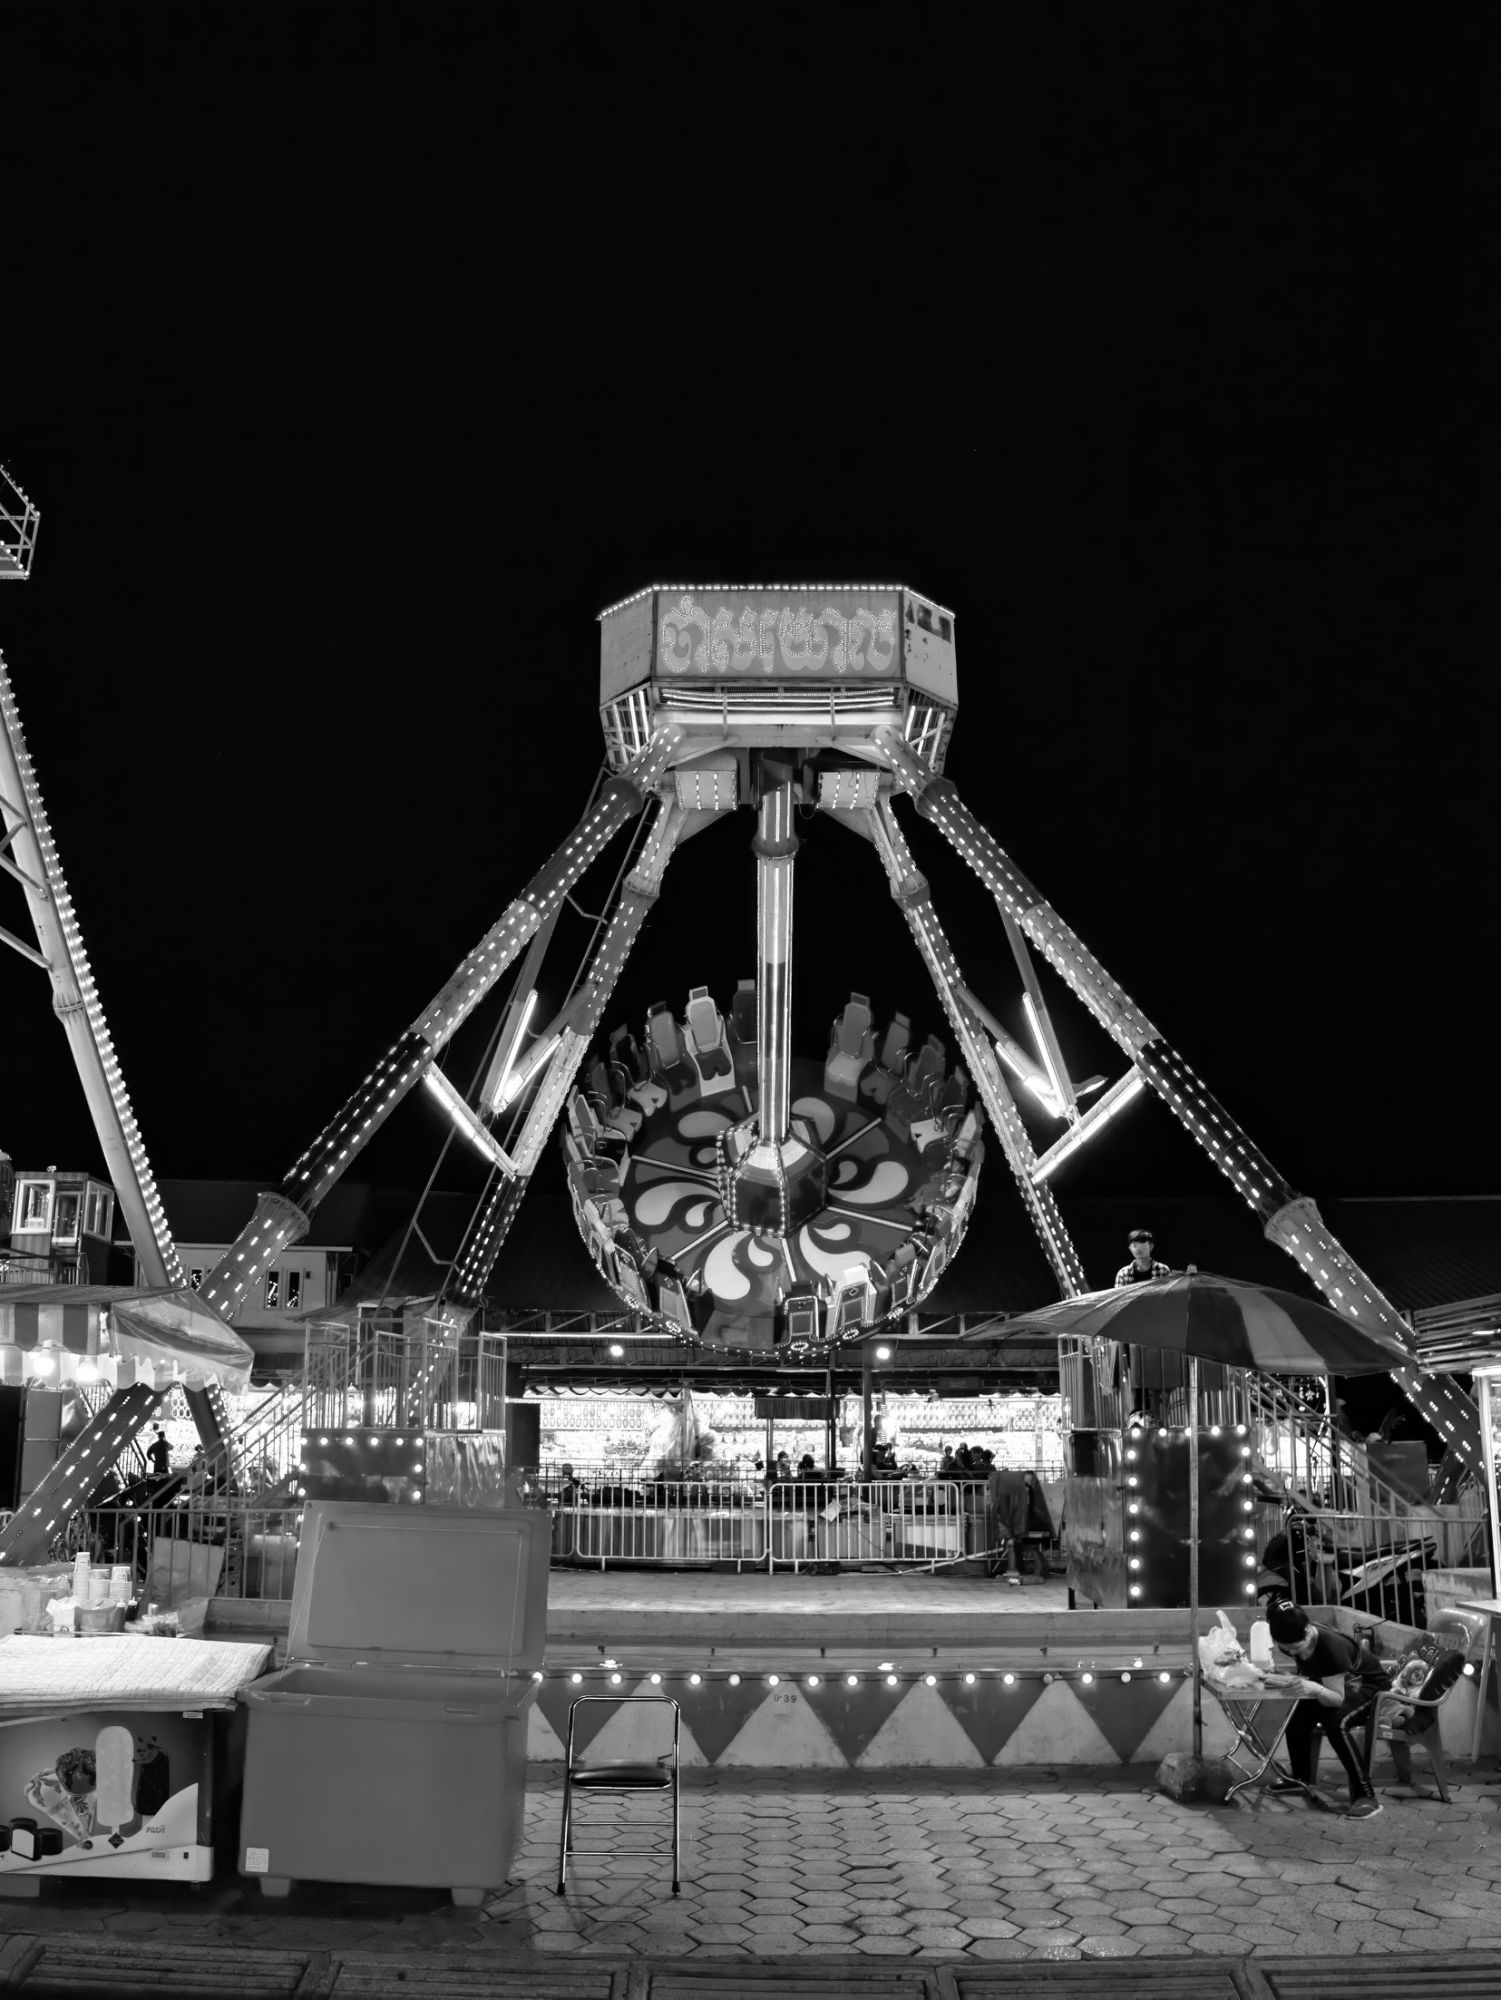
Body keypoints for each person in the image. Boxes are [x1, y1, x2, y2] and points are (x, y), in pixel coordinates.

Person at [1265, 1596, 1388, 1817]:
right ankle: (1300, 1779)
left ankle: (1366, 1795)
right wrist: (1289, 1679)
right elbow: (1314, 1673)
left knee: (1336, 1723)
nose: (1296, 1653)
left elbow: (1337, 1699)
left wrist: (1315, 1688)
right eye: (1288, 1649)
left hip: (1367, 1685)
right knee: (1296, 1715)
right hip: (1335, 1682)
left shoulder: (1330, 1649)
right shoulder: (1291, 1638)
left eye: (1298, 1647)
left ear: (1307, 1632)